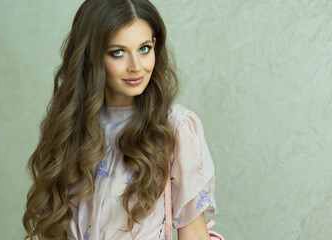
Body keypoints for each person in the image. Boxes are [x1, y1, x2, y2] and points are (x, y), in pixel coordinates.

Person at [22, 0, 216, 239]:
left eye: (144, 48)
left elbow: (193, 234)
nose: (136, 66)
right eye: (118, 52)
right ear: (92, 57)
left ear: (155, 45)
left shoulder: (176, 127)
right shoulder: (63, 128)